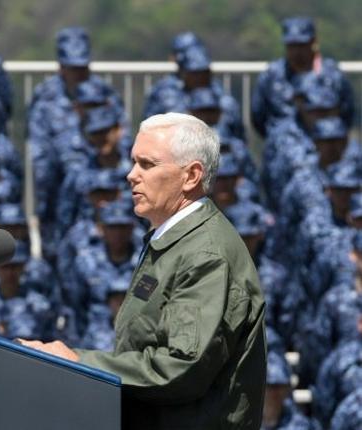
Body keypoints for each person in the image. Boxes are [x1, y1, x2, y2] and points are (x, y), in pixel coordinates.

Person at [20, 113, 266, 429]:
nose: (131, 176)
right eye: (134, 162)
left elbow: (180, 367)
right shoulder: (175, 240)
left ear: (191, 176)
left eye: (147, 165)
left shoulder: (205, 254)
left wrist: (80, 362)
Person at [252, 16, 355, 137]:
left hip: (322, 146)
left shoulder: (332, 76)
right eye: (292, 46)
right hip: (282, 148)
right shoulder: (271, 76)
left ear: (313, 42)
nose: (296, 52)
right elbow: (258, 116)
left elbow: (346, 112)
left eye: (301, 45)